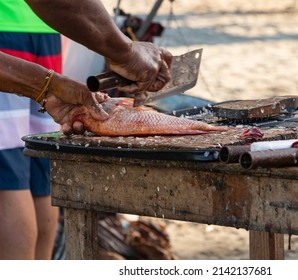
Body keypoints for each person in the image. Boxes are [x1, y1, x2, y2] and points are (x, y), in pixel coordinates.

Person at [0, 0, 172, 260]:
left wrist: (123, 51)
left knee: (8, 182)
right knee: (35, 176)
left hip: (16, 25)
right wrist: (123, 50)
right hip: (45, 28)